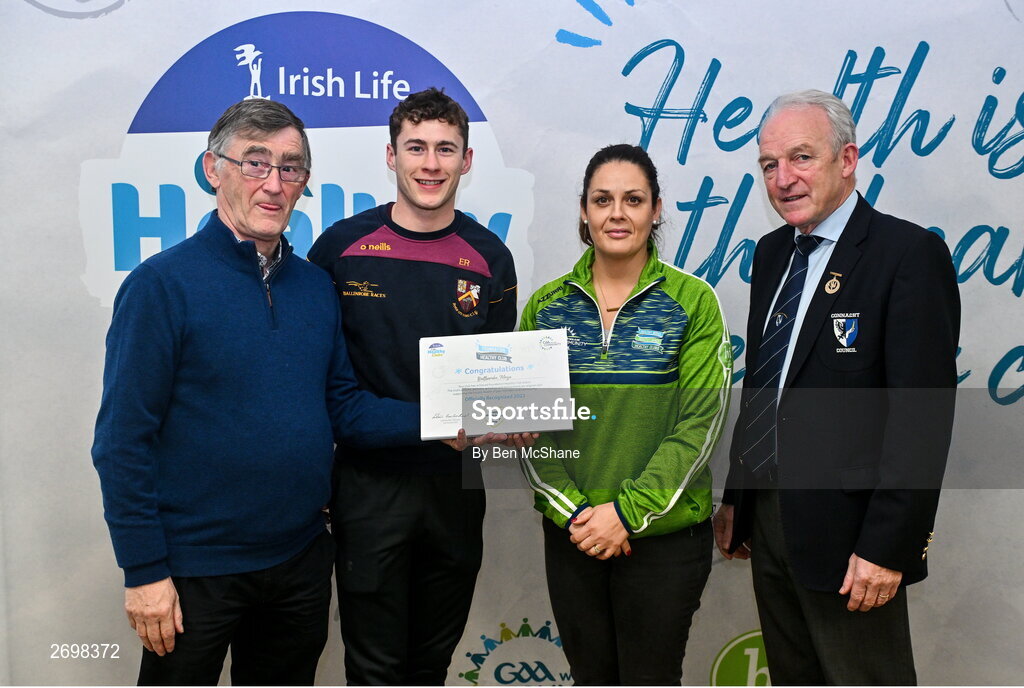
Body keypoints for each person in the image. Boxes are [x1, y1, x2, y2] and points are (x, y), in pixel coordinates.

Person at [91, 99, 425, 686]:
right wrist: (144, 571)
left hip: (298, 562)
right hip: (194, 572)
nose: (274, 183)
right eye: (255, 163)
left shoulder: (317, 288)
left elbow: (344, 408)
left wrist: (450, 418)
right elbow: (122, 441)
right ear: (213, 169)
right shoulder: (161, 286)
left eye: (290, 167)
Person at [713, 90, 960, 685]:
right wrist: (738, 499)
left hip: (854, 541)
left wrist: (887, 547)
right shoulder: (773, 254)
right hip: (771, 522)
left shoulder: (909, 255)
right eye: (769, 164)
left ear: (847, 159)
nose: (783, 179)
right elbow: (771, 384)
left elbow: (920, 423)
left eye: (800, 158)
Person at [307, 87, 521, 685]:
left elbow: (496, 380)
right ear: (391, 155)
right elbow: (321, 385)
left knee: (430, 666)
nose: (431, 163)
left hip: (455, 490)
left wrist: (513, 418)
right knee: (374, 670)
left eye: (446, 149)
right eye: (417, 147)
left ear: (467, 161)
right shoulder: (339, 250)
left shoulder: (489, 258)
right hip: (367, 489)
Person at [518, 144, 733, 685]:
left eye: (633, 199)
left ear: (655, 209)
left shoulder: (694, 302)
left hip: (664, 540)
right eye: (602, 199)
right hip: (576, 534)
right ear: (584, 212)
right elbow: (531, 426)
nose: (617, 213)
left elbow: (699, 426)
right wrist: (579, 514)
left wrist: (628, 512)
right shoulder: (546, 307)